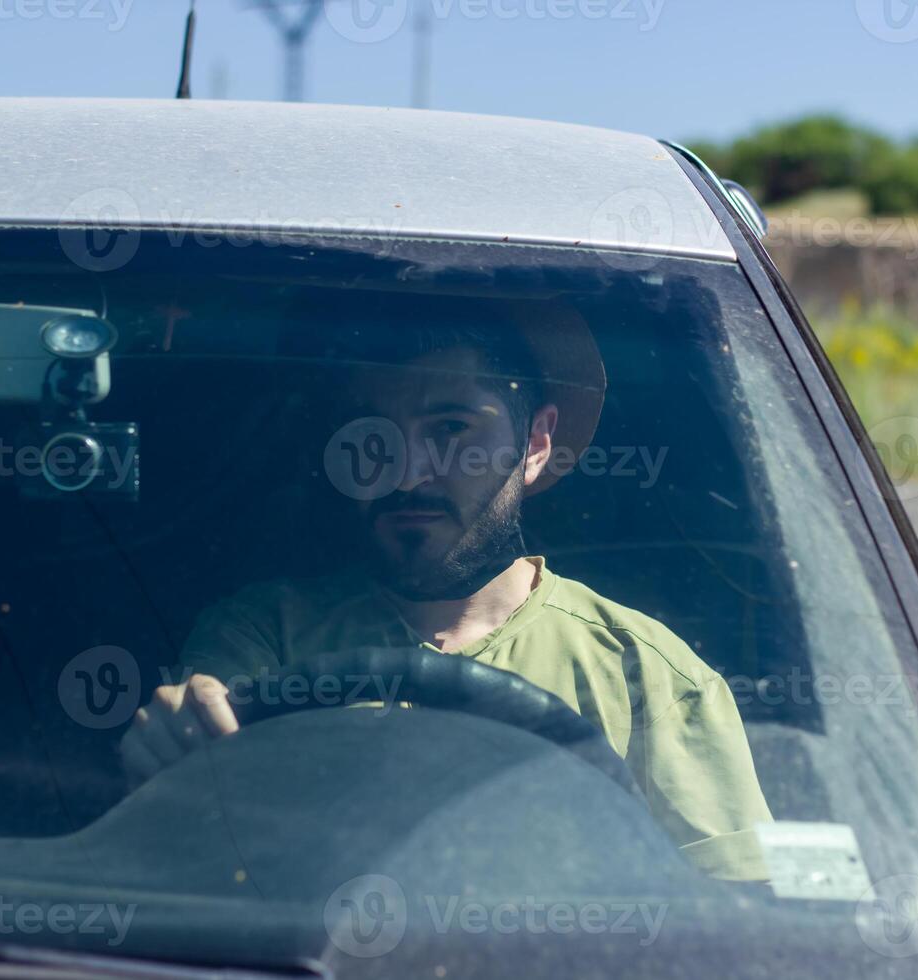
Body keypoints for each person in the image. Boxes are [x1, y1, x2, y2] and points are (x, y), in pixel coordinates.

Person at [119, 298, 773, 880]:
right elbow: (193, 826)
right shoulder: (265, 633)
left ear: (537, 441)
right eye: (371, 432)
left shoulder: (646, 674)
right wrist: (175, 743)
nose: (406, 469)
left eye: (451, 428)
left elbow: (735, 930)